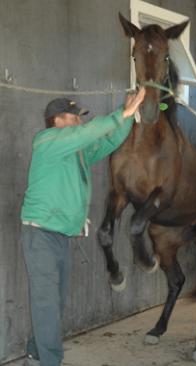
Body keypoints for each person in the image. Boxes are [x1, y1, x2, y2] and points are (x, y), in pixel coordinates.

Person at [20, 87, 145, 366]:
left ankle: (35, 353)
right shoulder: (47, 141)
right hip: (39, 234)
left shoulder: (75, 152)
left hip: (60, 236)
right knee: (47, 304)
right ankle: (50, 361)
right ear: (57, 119)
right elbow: (85, 133)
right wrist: (118, 114)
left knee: (55, 303)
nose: (80, 121)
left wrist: (126, 118)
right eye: (75, 116)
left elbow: (106, 141)